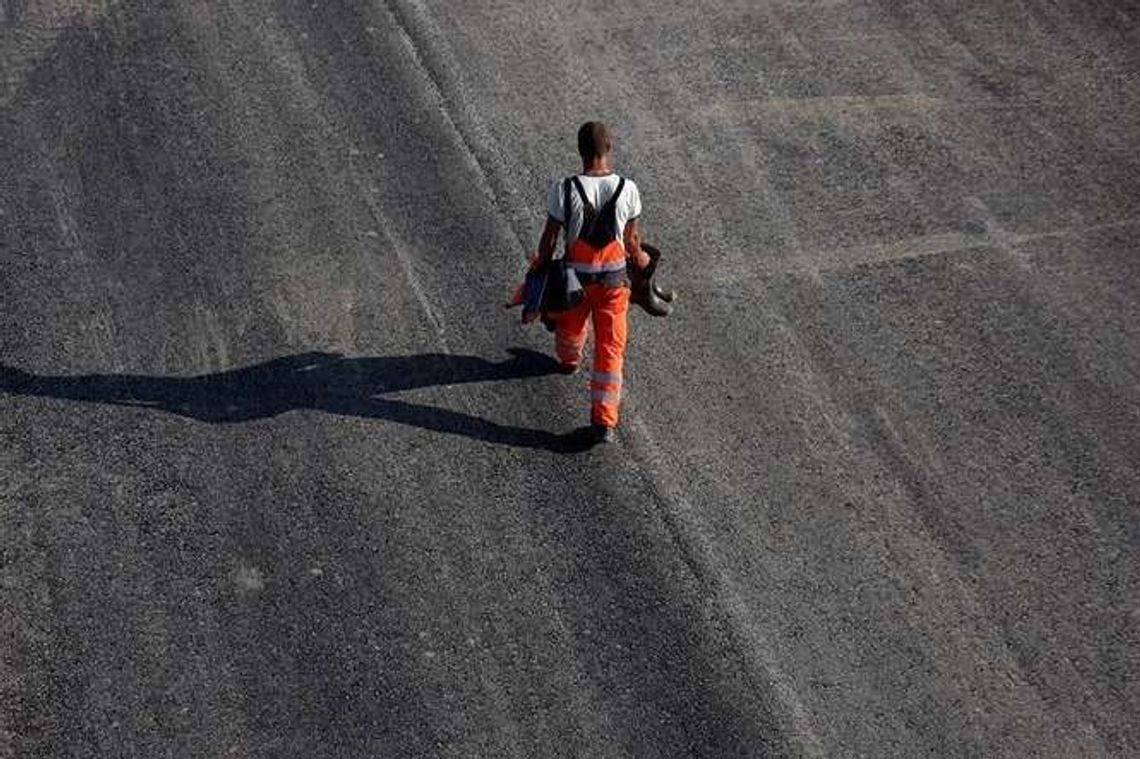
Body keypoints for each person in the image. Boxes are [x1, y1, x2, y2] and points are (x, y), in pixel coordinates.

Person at [531, 121, 650, 444]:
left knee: (570, 327)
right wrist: (641, 259)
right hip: (614, 286)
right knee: (610, 350)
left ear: (580, 151)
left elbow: (548, 241)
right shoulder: (629, 189)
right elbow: (633, 241)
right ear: (608, 148)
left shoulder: (564, 188)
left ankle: (569, 360)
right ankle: (604, 422)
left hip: (573, 284)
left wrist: (537, 272)